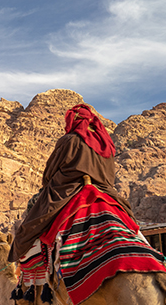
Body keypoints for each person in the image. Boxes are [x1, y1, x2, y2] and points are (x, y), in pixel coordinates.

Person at [8, 103, 135, 263]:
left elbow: (49, 173)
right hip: (105, 191)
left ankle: (26, 267)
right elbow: (109, 177)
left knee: (30, 227)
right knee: (127, 216)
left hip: (69, 191)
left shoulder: (69, 140)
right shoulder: (107, 146)